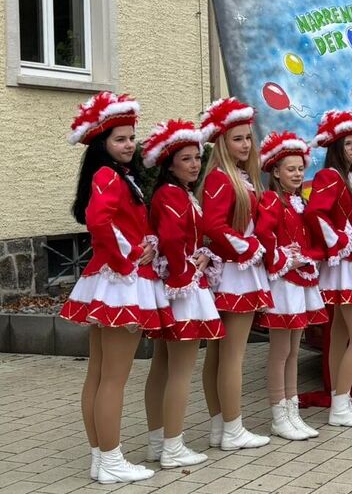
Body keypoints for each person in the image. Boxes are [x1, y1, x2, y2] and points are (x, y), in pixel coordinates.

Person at [59, 92, 167, 484]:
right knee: (113, 378)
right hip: (119, 282)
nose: (129, 144)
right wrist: (125, 260)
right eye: (120, 138)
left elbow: (122, 223)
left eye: (131, 137)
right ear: (102, 144)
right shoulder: (108, 176)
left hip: (109, 280)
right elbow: (98, 221)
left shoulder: (120, 176)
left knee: (100, 374)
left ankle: (100, 458)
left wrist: (146, 242)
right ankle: (111, 458)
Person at [142, 119, 223, 470]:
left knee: (163, 366)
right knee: (180, 370)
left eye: (196, 158)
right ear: (169, 163)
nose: (195, 164)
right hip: (182, 290)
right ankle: (173, 447)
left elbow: (179, 240)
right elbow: (173, 241)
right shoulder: (172, 195)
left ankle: (157, 442)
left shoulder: (175, 194)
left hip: (174, 285)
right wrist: (186, 273)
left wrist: (201, 254)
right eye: (187, 159)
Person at [198, 97, 272, 451]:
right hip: (233, 273)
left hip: (234, 270)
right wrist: (247, 247)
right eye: (237, 138)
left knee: (220, 355)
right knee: (232, 356)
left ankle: (220, 427)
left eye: (248, 138)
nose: (245, 144)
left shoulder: (238, 175)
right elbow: (212, 225)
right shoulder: (220, 177)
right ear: (222, 142)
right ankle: (232, 428)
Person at [307, 110, 352, 427]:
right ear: (336, 147)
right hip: (345, 265)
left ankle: (339, 396)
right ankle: (341, 402)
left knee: (340, 333)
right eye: (348, 143)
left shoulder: (351, 177)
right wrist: (340, 241)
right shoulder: (329, 176)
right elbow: (315, 214)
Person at [256, 131, 327, 440]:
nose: (298, 174)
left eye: (300, 169)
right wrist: (284, 257)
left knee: (294, 351)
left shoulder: (299, 202)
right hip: (283, 281)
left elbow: (311, 239)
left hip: (299, 279)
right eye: (290, 169)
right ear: (275, 171)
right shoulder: (271, 199)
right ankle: (278, 414)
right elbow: (264, 234)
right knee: (280, 350)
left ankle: (293, 410)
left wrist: (307, 256)